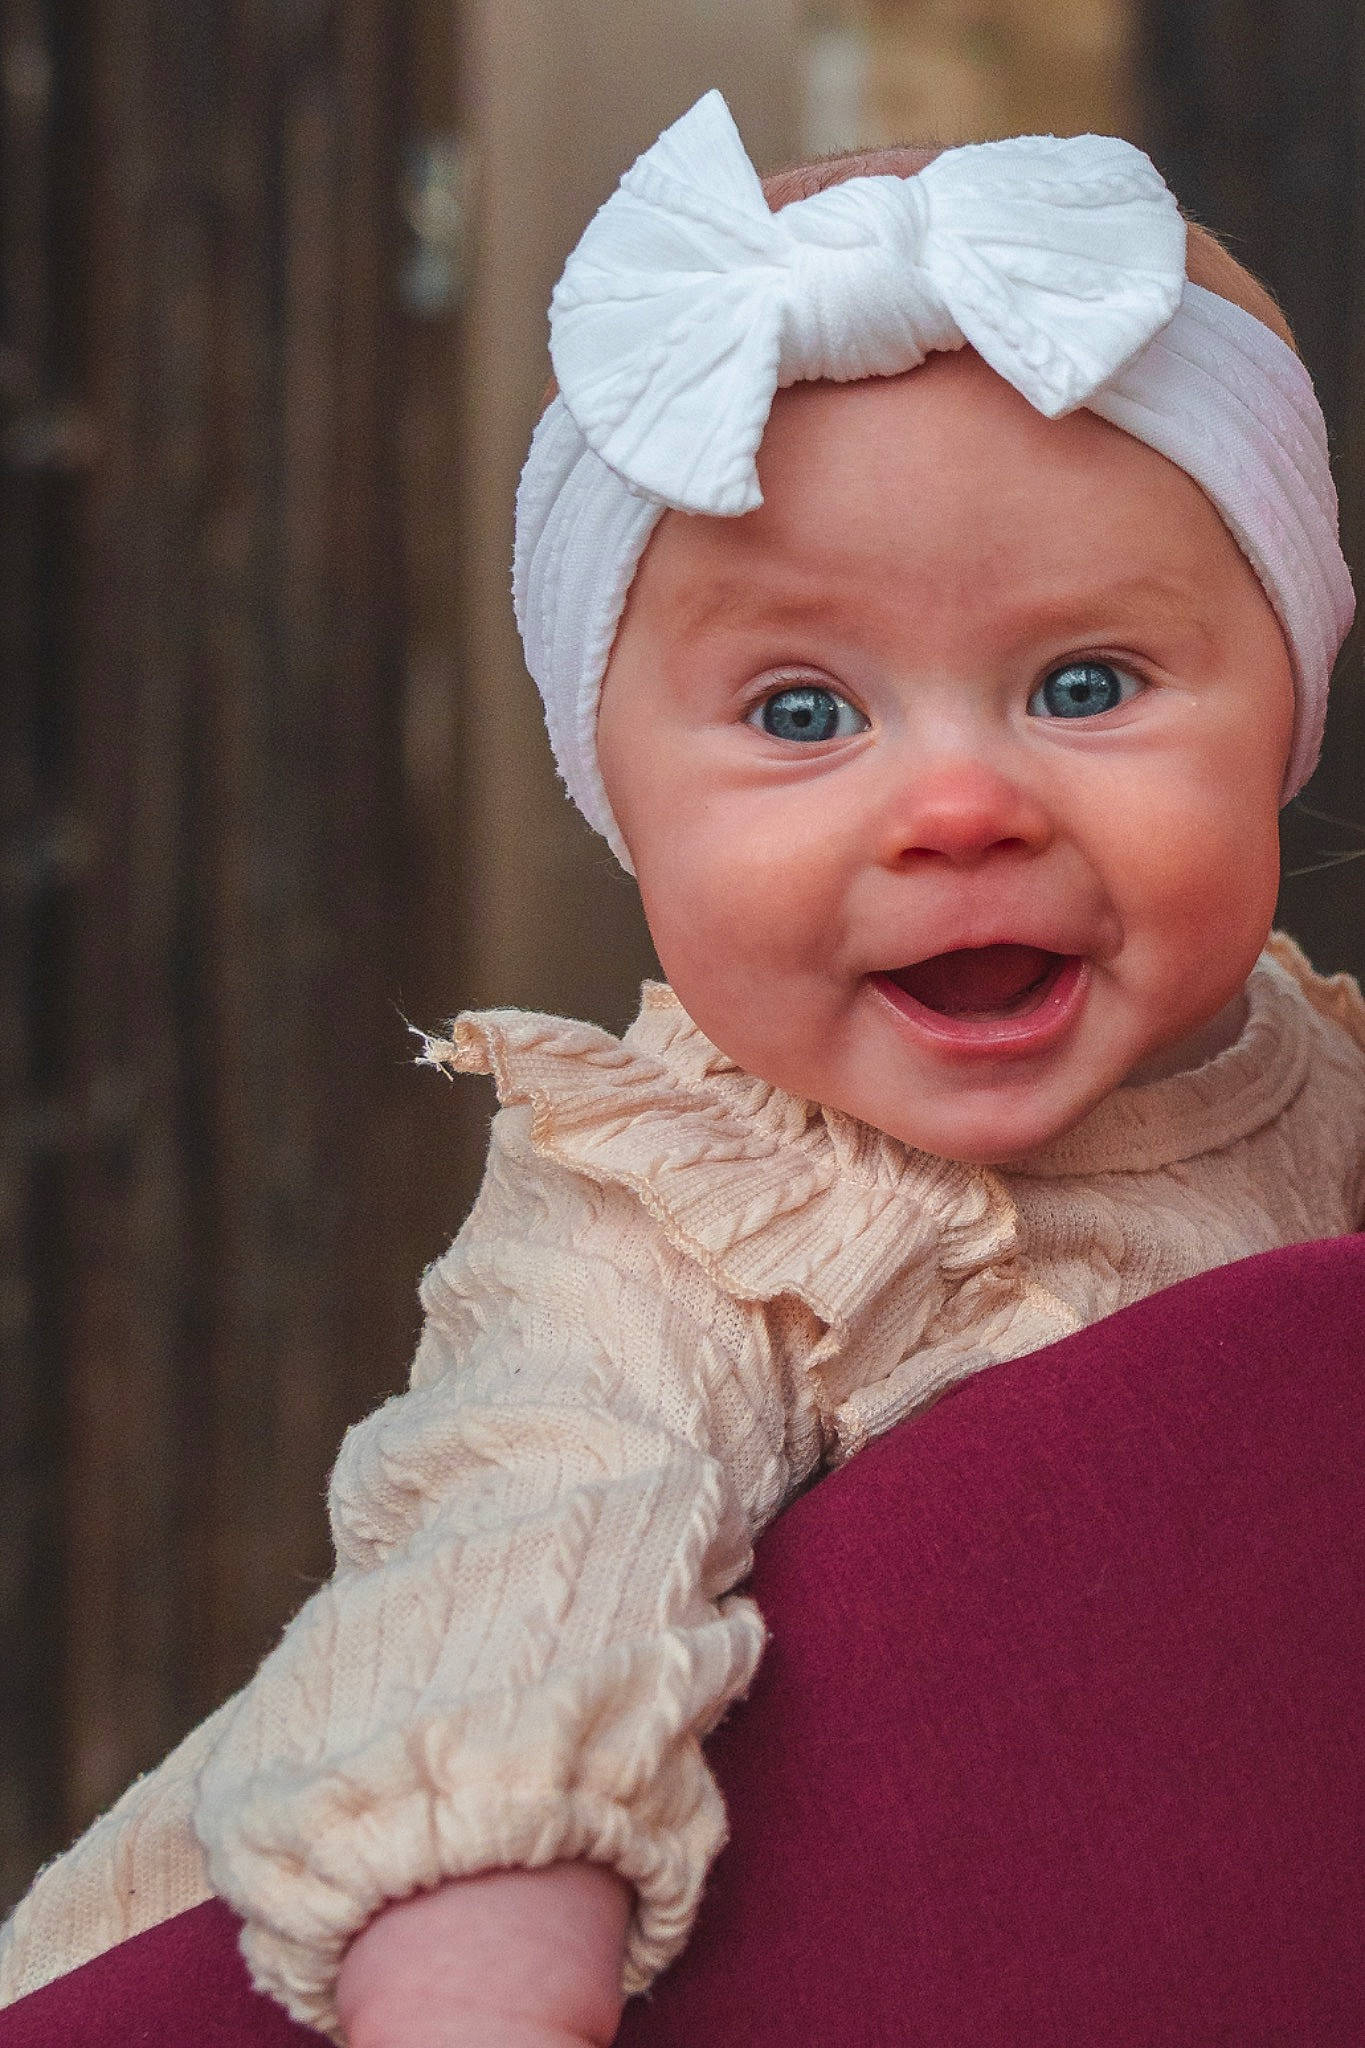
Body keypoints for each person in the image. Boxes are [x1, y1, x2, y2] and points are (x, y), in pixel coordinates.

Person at [3, 90, 1364, 2048]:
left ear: (1289, 699)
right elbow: (518, 1572)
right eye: (803, 710)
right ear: (616, 800)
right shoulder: (662, 1218)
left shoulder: (1310, 1100)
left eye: (1082, 684)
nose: (958, 803)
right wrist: (482, 2002)